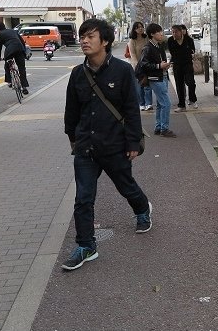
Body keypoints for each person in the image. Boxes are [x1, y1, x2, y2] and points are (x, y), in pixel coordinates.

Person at [62, 18, 152, 271]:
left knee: (126, 187)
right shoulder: (77, 74)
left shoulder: (122, 71)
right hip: (86, 148)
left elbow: (131, 110)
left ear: (105, 41)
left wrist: (133, 141)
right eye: (82, 37)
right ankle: (86, 245)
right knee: (83, 198)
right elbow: (72, 111)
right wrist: (73, 137)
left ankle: (142, 209)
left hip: (114, 146)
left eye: (90, 36)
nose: (84, 41)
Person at [139, 23, 176, 138]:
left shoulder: (158, 46)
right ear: (152, 34)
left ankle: (159, 127)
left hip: (162, 76)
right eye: (159, 32)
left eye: (161, 31)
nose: (161, 33)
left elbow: (161, 62)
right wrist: (159, 66)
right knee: (166, 103)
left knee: (161, 103)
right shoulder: (148, 48)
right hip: (155, 78)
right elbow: (144, 64)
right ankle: (164, 129)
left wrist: (165, 65)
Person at [167, 24, 197, 111]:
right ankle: (181, 105)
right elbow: (173, 53)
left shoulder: (189, 40)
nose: (174, 34)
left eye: (176, 32)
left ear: (181, 32)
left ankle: (192, 99)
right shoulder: (170, 40)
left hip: (187, 64)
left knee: (190, 82)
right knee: (179, 85)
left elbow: (192, 51)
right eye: (172, 32)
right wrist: (186, 52)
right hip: (177, 65)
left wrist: (189, 53)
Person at [0, 21, 29, 95]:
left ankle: (9, 81)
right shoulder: (13, 31)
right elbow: (22, 41)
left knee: (7, 66)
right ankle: (24, 87)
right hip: (20, 49)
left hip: (10, 50)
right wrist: (24, 51)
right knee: (22, 68)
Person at [126, 21, 152, 111]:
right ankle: (142, 103)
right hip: (137, 66)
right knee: (140, 85)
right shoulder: (132, 41)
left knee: (147, 85)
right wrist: (138, 66)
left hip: (147, 64)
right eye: (138, 27)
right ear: (134, 29)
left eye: (141, 27)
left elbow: (150, 51)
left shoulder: (146, 38)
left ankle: (149, 103)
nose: (140, 28)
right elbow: (132, 55)